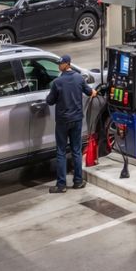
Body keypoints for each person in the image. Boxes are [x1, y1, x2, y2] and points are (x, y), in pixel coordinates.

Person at [46, 55, 96, 193]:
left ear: (67, 64)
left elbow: (50, 101)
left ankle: (61, 185)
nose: (59, 66)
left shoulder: (57, 82)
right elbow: (90, 92)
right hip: (77, 120)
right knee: (76, 150)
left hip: (63, 122)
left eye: (61, 64)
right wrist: (94, 92)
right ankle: (78, 182)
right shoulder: (79, 78)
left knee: (61, 152)